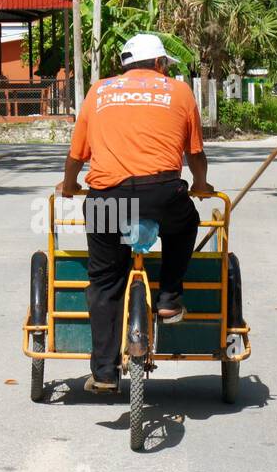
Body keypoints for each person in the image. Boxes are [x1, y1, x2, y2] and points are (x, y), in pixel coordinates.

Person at [57, 33, 212, 393]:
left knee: (105, 281)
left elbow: (77, 156)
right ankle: (170, 299)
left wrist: (68, 185)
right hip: (162, 193)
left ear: (124, 66)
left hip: (107, 197)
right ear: (159, 64)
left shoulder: (99, 92)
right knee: (185, 221)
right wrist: (201, 184)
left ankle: (104, 373)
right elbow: (195, 154)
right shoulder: (179, 91)